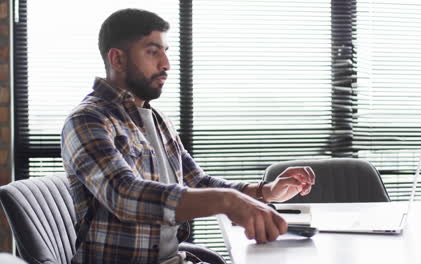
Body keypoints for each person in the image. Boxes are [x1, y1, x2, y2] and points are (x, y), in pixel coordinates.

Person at [61, 8, 315, 264]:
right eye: (152, 52)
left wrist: (266, 191)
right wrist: (227, 201)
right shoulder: (88, 119)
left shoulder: (157, 120)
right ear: (117, 59)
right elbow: (124, 195)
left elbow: (198, 183)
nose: (166, 65)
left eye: (165, 52)